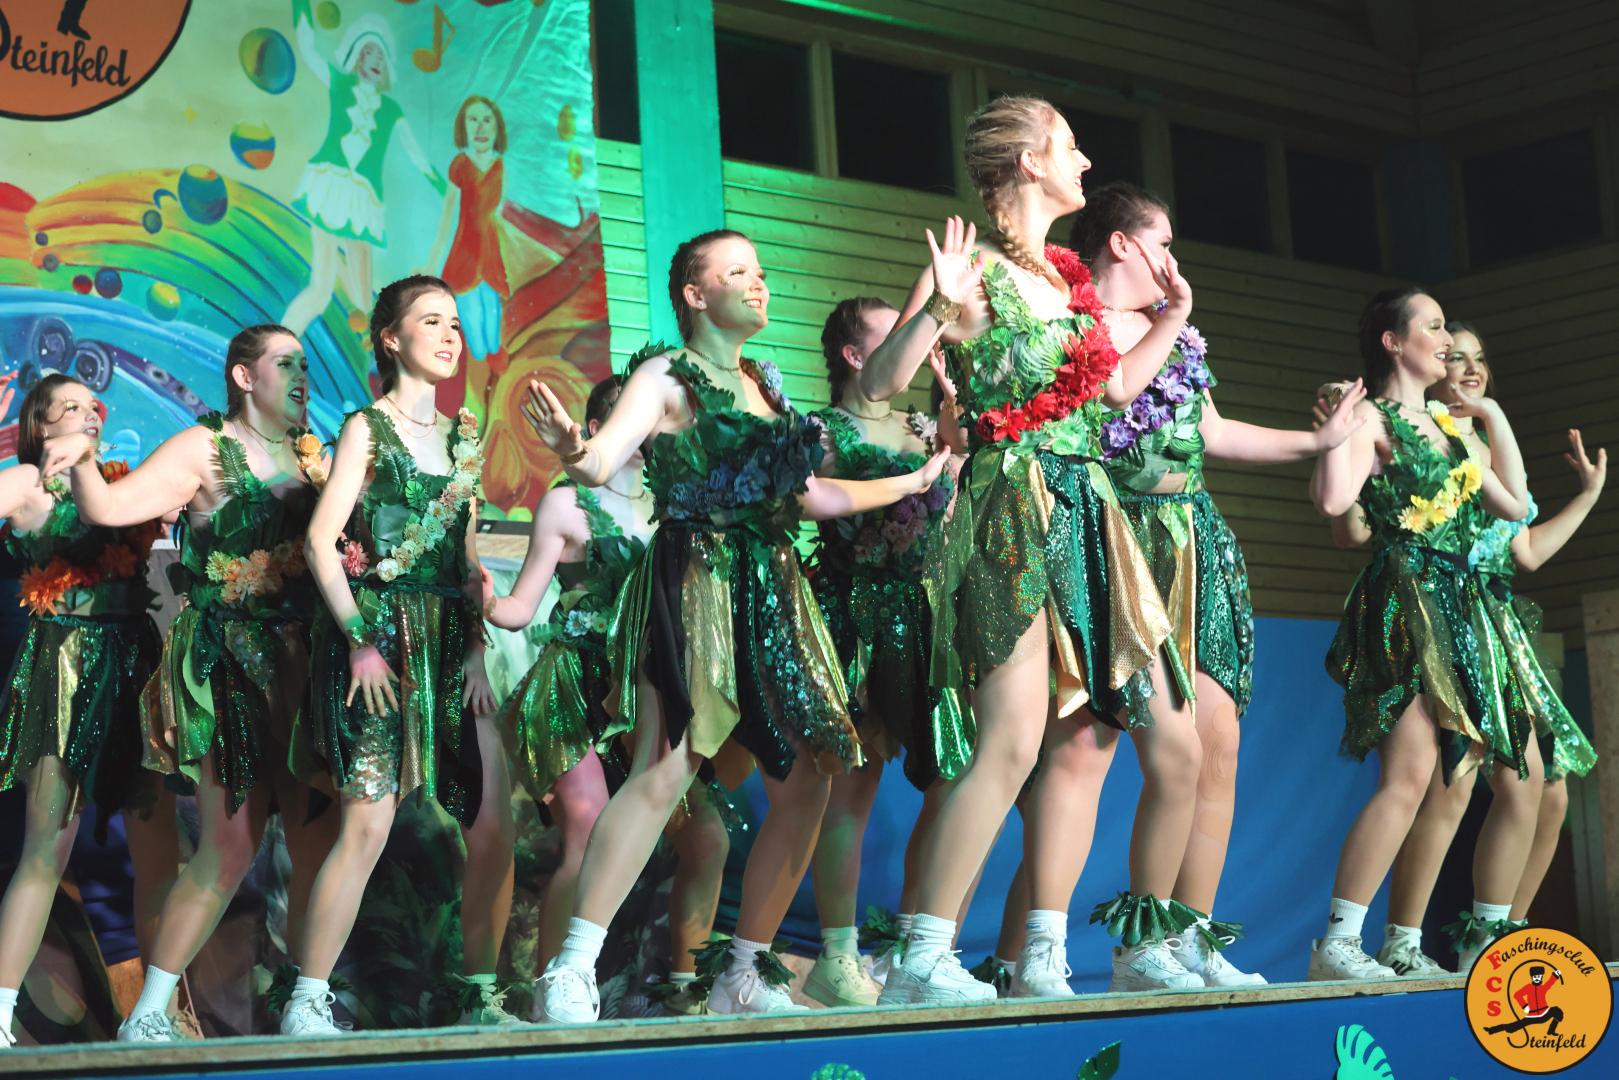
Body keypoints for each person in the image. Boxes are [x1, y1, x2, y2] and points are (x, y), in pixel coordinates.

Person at [521, 229, 947, 1020]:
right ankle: (571, 968)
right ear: (694, 294)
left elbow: (810, 496)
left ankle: (744, 972)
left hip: (774, 586)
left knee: (811, 777)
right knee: (665, 767)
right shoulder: (666, 375)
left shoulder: (764, 388)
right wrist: (572, 447)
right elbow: (601, 458)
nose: (758, 284)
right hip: (698, 577)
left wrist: (912, 481)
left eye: (761, 272)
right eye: (737, 272)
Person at [859, 96, 1213, 1001]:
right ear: (1026, 162)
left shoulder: (1065, 279)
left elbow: (1112, 394)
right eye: (1068, 146)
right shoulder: (972, 265)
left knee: (1085, 727)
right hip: (1010, 505)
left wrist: (1172, 317)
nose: (1084, 161)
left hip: (1085, 504)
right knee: (1011, 737)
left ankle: (1033, 954)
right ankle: (921, 956)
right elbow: (881, 381)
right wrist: (935, 308)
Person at [986, 182, 1369, 994]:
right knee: (1080, 745)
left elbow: (1213, 432)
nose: (1172, 257)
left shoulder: (1178, 335)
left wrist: (1317, 440)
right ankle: (1023, 952)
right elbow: (1089, 409)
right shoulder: (1072, 319)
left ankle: (1181, 935)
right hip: (1109, 533)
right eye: (1162, 241)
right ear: (1121, 244)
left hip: (1191, 541)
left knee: (1212, 745)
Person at [36, 327, 342, 1040]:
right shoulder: (202, 448)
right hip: (229, 666)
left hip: (304, 666)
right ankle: (150, 1011)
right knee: (229, 846)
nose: (302, 375)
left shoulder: (312, 456)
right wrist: (83, 459)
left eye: (306, 364)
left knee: (317, 843)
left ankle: (306, 1003)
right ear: (244, 376)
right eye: (285, 364)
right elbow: (109, 510)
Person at [283, 275, 512, 1034]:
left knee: (490, 819)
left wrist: (475, 649)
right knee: (368, 823)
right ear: (390, 338)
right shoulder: (365, 428)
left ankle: (480, 996)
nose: (450, 335)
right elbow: (320, 542)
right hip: (378, 639)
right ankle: (306, 1001)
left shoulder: (464, 439)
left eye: (456, 323)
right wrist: (359, 643)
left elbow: (467, 557)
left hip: (448, 643)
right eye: (431, 321)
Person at [1355, 324, 1602, 977]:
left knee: (1547, 790)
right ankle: (1426, 940)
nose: (1469, 368)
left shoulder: (1480, 446)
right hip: (1442, 609)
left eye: (1479, 360)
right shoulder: (1429, 442)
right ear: (1429, 366)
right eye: (1454, 356)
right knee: (1461, 783)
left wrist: (1586, 497)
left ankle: (1495, 936)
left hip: (1493, 618)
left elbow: (1524, 548)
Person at [483, 373, 729, 1016]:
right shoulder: (567, 504)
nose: (649, 430)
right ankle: (555, 997)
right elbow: (520, 606)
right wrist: (486, 600)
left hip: (643, 692)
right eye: (634, 417)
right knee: (586, 825)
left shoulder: (672, 512)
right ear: (598, 431)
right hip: (573, 685)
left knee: (708, 838)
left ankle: (686, 993)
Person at [1307, 288, 1533, 982]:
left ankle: (1401, 943)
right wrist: (1334, 435)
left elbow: (1515, 505)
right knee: (1407, 777)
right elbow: (1334, 502)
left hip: (1458, 605)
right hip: (1405, 599)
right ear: (1393, 341)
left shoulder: (1445, 423)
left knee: (1453, 781)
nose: (1445, 340)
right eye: (1432, 327)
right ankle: (1337, 943)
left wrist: (1490, 415)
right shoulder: (1369, 416)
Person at [0, 377, 175, 1046]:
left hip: (135, 663)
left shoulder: (120, 483)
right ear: (39, 428)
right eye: (67, 408)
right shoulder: (28, 483)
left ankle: (154, 1013)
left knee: (156, 849)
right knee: (47, 849)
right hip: (67, 669)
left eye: (91, 406)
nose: (87, 414)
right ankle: (0, 1010)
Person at [803, 298, 958, 1007]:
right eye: (895, 332)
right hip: (853, 615)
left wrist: (953, 430)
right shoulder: (820, 430)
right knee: (849, 790)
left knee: (953, 778)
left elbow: (953, 507)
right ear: (854, 355)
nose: (914, 342)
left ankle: (916, 949)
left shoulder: (924, 427)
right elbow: (814, 500)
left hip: (921, 617)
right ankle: (838, 957)